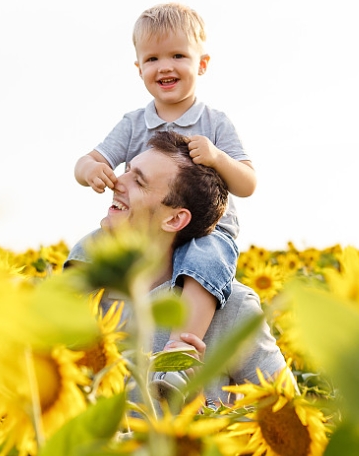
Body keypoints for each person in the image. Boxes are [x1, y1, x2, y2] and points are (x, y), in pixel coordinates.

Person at [73, 2, 257, 395]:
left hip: (208, 229)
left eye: (178, 55)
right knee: (88, 246)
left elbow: (247, 184)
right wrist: (90, 171)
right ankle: (65, 317)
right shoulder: (134, 123)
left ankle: (180, 355)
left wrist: (217, 157)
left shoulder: (214, 122)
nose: (165, 66)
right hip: (144, 230)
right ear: (138, 69)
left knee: (204, 270)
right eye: (152, 58)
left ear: (202, 64)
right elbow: (87, 160)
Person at [66, 130, 285, 406]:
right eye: (127, 171)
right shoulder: (86, 298)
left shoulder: (234, 309)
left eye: (139, 181)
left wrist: (198, 407)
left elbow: (289, 414)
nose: (116, 182)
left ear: (174, 219)